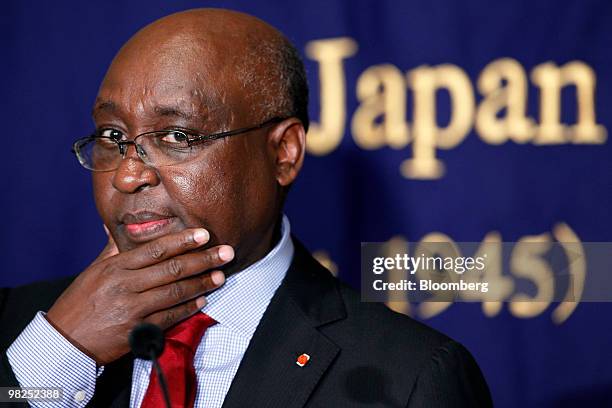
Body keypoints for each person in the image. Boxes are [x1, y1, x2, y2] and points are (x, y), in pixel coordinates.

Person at [0, 8, 492, 408]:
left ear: (283, 153)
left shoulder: (408, 377)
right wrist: (59, 357)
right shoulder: (20, 325)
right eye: (112, 137)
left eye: (177, 136)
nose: (128, 175)